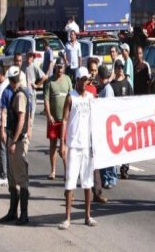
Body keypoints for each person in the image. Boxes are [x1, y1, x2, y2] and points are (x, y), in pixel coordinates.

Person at [58, 67, 97, 230]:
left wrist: (95, 142)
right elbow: (65, 120)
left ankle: (88, 216)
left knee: (87, 182)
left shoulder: (90, 98)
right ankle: (67, 218)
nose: (84, 83)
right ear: (77, 80)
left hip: (87, 146)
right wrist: (62, 142)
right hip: (73, 145)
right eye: (81, 80)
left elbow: (95, 120)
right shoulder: (71, 97)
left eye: (86, 80)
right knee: (70, 182)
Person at [0, 66, 31, 225]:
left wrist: (14, 142)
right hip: (13, 138)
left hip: (18, 141)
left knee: (21, 177)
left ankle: (24, 214)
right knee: (12, 177)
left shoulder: (20, 95)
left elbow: (22, 120)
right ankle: (13, 212)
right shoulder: (16, 93)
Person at [44, 58, 72, 180]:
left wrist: (71, 114)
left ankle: (66, 172)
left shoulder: (67, 80)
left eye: (62, 67)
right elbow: (46, 100)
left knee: (64, 145)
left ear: (64, 68)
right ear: (55, 67)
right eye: (58, 67)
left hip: (65, 119)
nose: (60, 69)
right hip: (53, 120)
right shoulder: (50, 82)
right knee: (53, 144)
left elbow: (72, 97)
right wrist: (49, 115)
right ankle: (53, 170)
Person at [85, 59, 108, 204]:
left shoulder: (97, 88)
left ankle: (97, 192)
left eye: (95, 71)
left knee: (95, 163)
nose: (93, 74)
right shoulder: (83, 87)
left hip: (94, 129)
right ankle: (70, 191)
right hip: (83, 130)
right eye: (91, 71)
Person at [111, 59, 134, 180]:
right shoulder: (112, 85)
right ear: (115, 69)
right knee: (116, 145)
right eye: (118, 68)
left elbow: (132, 100)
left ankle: (124, 168)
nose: (120, 70)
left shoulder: (127, 84)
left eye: (121, 68)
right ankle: (113, 168)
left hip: (125, 120)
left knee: (126, 146)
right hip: (115, 121)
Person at [97, 65, 118, 189]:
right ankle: (105, 178)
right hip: (104, 126)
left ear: (100, 76)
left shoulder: (108, 90)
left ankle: (110, 178)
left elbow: (107, 109)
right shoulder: (104, 88)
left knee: (108, 153)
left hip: (108, 126)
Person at [22, 49, 47, 127]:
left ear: (32, 57)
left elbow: (45, 77)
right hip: (23, 92)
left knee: (31, 112)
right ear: (26, 56)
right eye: (28, 55)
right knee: (25, 112)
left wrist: (37, 85)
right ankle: (25, 129)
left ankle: (29, 129)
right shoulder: (22, 65)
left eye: (31, 56)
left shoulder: (34, 66)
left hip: (32, 93)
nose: (29, 57)